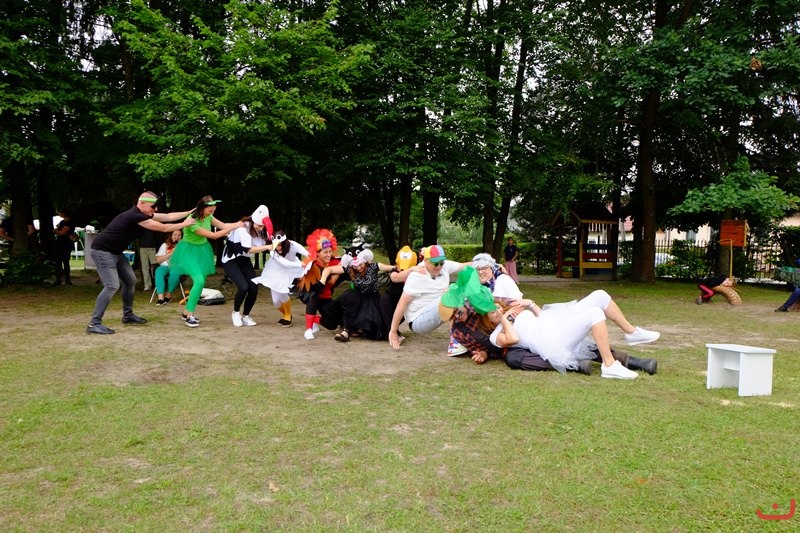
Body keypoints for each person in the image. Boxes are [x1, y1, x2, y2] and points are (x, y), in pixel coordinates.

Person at [441, 268, 656, 375]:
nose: (457, 316)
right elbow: (495, 341)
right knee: (515, 358)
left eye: (457, 311)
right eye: (453, 317)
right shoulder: (465, 331)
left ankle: (631, 335)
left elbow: (512, 304)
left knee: (599, 296)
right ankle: (583, 366)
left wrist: (525, 305)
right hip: (517, 346)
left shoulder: (481, 302)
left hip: (548, 324)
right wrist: (485, 351)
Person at [483, 289, 659, 379]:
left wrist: (530, 304)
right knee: (594, 314)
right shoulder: (496, 335)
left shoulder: (514, 312)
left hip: (555, 324)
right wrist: (505, 319)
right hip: (553, 341)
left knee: (600, 295)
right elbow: (513, 338)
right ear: (487, 320)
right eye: (492, 312)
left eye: (497, 308)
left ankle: (631, 332)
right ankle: (609, 365)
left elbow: (542, 317)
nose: (497, 311)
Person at [87, 192, 194, 334]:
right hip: (102, 251)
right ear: (142, 203)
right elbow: (163, 227)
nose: (155, 209)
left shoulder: (143, 214)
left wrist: (189, 212)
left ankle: (128, 315)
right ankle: (94, 324)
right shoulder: (134, 216)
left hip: (116, 252)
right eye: (153, 206)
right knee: (112, 285)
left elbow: (168, 217)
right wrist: (185, 224)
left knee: (130, 280)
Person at [167, 195, 243, 328]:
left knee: (200, 283)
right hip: (188, 252)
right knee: (199, 281)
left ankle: (186, 312)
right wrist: (234, 226)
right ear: (202, 208)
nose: (211, 213)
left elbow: (223, 225)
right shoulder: (191, 220)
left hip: (202, 251)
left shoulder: (209, 217)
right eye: (210, 211)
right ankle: (190, 316)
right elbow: (214, 236)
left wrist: (240, 224)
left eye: (213, 211)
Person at [388, 244, 468, 349]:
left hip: (435, 309)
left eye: (441, 263)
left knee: (467, 296)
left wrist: (485, 264)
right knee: (450, 294)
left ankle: (471, 338)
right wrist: (393, 331)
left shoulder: (445, 266)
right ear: (425, 261)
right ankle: (455, 342)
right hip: (417, 320)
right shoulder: (417, 276)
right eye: (435, 264)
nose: (439, 267)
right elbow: (402, 304)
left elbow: (465, 266)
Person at [318, 249, 403, 341]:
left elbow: (393, 268)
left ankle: (360, 330)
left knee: (375, 325)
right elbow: (329, 269)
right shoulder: (349, 269)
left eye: (360, 265)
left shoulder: (374, 266)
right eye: (355, 266)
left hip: (372, 299)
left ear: (365, 261)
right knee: (349, 300)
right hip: (357, 297)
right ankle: (346, 331)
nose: (358, 268)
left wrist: (400, 272)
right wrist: (322, 280)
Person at [221, 205, 275, 327]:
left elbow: (265, 242)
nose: (261, 228)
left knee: (254, 288)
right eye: (259, 225)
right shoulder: (243, 229)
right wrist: (267, 247)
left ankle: (246, 316)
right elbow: (248, 250)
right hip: (231, 259)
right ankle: (236, 313)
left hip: (244, 259)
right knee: (243, 287)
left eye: (263, 226)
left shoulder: (261, 230)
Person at [252, 230, 309, 327]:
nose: (278, 248)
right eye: (276, 245)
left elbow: (306, 253)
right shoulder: (273, 250)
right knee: (275, 301)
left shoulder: (293, 245)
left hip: (289, 271)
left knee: (283, 292)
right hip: (275, 271)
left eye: (280, 245)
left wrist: (311, 259)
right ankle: (285, 314)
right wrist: (301, 264)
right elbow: (284, 263)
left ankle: (288, 315)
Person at [295, 228, 343, 340]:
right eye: (325, 252)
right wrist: (337, 269)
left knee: (332, 324)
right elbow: (331, 281)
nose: (329, 254)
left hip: (326, 297)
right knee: (314, 297)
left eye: (330, 251)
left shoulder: (334, 261)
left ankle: (315, 320)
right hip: (309, 294)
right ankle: (308, 330)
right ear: (317, 253)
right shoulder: (312, 265)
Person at [153, 229, 183, 305]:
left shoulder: (184, 246)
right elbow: (158, 260)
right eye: (175, 235)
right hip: (165, 266)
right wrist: (171, 253)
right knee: (158, 271)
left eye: (179, 235)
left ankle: (168, 296)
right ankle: (160, 298)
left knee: (174, 272)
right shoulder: (164, 245)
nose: (177, 237)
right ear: (171, 236)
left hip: (177, 267)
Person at [53, 208, 77, 286]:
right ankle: (58, 280)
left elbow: (61, 232)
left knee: (65, 261)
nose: (59, 214)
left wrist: (56, 231)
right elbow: (59, 231)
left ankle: (67, 280)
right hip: (59, 243)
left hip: (66, 244)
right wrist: (58, 231)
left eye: (60, 212)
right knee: (58, 262)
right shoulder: (62, 222)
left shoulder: (70, 222)